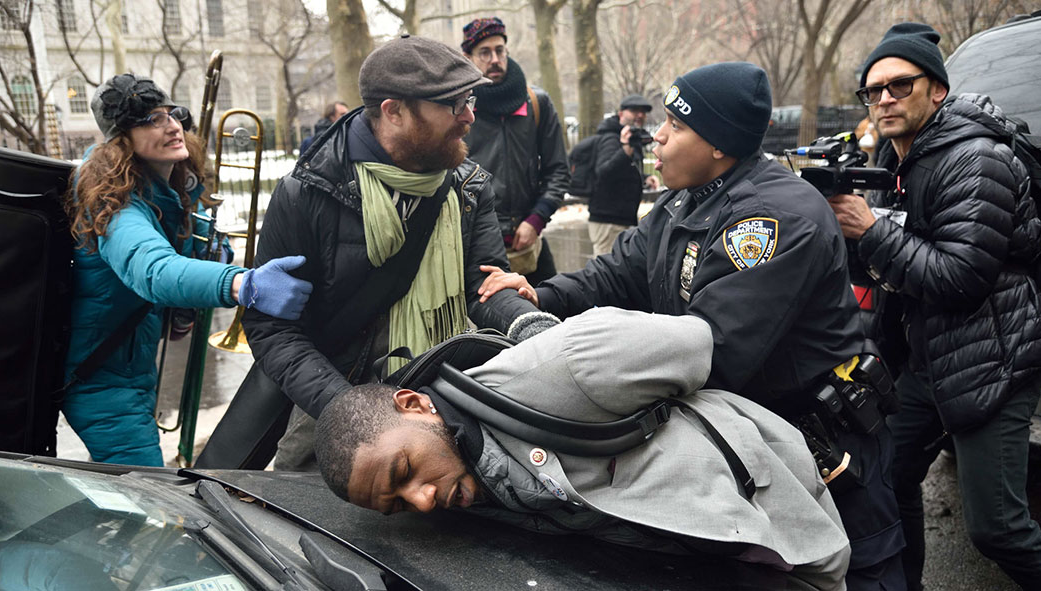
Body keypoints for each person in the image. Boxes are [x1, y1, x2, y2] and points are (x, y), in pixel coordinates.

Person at [478, 62, 906, 590]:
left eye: (677, 126)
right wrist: (539, 293)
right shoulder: (686, 198)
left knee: (862, 572)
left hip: (827, 447)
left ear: (720, 145)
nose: (657, 134)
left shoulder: (772, 218)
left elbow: (713, 348)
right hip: (757, 436)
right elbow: (619, 270)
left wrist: (593, 370)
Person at [316, 308, 852, 590]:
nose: (422, 501)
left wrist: (603, 387)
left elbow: (695, 345)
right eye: (397, 505)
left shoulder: (567, 363)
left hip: (781, 534)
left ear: (414, 404)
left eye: (404, 470)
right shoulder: (450, 489)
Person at [241, 36, 550, 472]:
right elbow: (272, 329)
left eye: (470, 99)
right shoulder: (305, 194)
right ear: (394, 112)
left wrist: (532, 328)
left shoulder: (468, 187)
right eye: (453, 104)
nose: (469, 116)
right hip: (335, 404)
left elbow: (484, 284)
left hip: (443, 394)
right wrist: (350, 408)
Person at [827, 23, 1041, 591]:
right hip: (928, 360)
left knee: (998, 529)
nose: (885, 100)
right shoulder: (898, 161)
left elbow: (961, 279)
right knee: (889, 482)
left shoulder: (976, 160)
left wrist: (870, 231)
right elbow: (890, 266)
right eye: (873, 92)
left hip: (993, 359)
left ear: (937, 90)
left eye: (900, 85)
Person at [65, 74, 312, 466]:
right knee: (146, 498)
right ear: (120, 140)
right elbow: (154, 272)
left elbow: (206, 249)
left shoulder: (167, 186)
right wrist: (243, 284)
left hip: (132, 366)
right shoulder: (112, 200)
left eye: (171, 114)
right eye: (150, 120)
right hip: (100, 378)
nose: (172, 126)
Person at [460, 17, 570, 284]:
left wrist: (536, 219)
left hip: (528, 242)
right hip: (474, 243)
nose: (494, 59)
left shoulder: (536, 102)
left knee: (550, 315)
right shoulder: (458, 109)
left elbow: (558, 171)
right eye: (484, 52)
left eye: (500, 50)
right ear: (468, 57)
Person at [587, 94, 652, 257]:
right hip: (608, 220)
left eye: (643, 112)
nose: (640, 115)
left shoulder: (632, 139)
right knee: (605, 276)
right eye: (634, 111)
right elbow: (604, 172)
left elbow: (626, 171)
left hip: (623, 218)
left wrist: (644, 178)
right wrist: (624, 148)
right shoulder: (610, 138)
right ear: (621, 113)